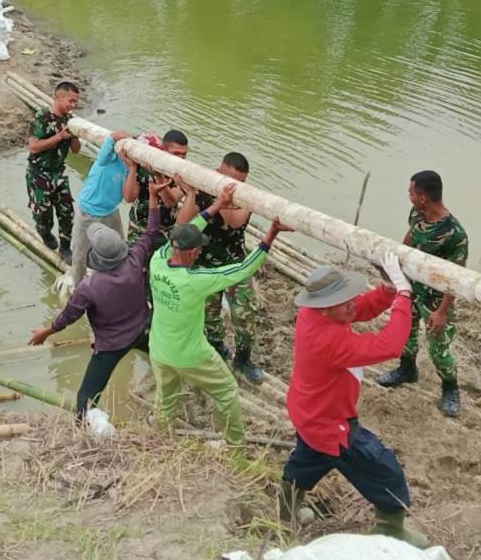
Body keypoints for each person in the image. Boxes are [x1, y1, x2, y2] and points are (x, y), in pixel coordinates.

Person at [280, 252, 429, 547]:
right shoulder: (327, 341)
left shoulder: (313, 314)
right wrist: (403, 295)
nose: (352, 303)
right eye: (343, 301)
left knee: (307, 460)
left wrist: (386, 291)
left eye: (350, 296)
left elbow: (359, 308)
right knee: (385, 469)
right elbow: (390, 345)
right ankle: (390, 527)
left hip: (307, 410)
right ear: (324, 307)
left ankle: (286, 510)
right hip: (330, 422)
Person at [149, 183, 290, 445]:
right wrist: (269, 236)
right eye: (199, 249)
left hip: (158, 349)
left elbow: (188, 231)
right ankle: (235, 445)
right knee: (226, 391)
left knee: (166, 396)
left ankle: (160, 437)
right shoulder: (195, 280)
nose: (201, 251)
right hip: (189, 355)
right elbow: (241, 270)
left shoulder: (157, 260)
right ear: (193, 252)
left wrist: (215, 206)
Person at [29, 174, 168, 416]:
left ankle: (84, 426)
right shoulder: (135, 259)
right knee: (165, 360)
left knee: (86, 397)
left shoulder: (89, 287)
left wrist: (46, 331)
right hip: (142, 330)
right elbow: (151, 231)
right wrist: (154, 197)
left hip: (111, 346)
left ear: (96, 256)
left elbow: (68, 316)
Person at [376, 170, 469, 418]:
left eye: (411, 192)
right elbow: (411, 235)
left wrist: (441, 312)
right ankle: (407, 370)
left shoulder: (455, 235)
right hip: (411, 288)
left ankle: (450, 388)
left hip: (436, 299)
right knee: (406, 332)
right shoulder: (417, 213)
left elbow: (456, 278)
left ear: (423, 197)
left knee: (439, 350)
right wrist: (395, 262)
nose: (409, 196)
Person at [174, 153, 266, 384]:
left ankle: (243, 359)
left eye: (239, 183)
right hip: (205, 266)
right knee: (210, 314)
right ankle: (217, 347)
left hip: (236, 266)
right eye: (229, 180)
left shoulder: (246, 197)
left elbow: (235, 221)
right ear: (218, 171)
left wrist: (221, 197)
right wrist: (193, 193)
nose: (233, 187)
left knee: (245, 314)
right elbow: (184, 224)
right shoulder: (205, 188)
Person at [26, 81, 81, 262]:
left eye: (75, 103)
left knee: (67, 213)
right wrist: (59, 136)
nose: (73, 106)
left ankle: (65, 248)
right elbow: (33, 147)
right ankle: (44, 232)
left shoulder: (69, 120)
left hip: (59, 173)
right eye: (70, 101)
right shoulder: (41, 117)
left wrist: (74, 134)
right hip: (39, 174)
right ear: (59, 97)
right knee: (43, 214)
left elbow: (75, 150)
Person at [70, 129, 133, 286]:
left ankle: (117, 283)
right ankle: (78, 287)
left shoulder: (131, 168)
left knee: (120, 248)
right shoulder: (110, 157)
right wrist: (112, 137)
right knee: (80, 253)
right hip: (89, 211)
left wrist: (132, 168)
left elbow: (128, 196)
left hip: (111, 210)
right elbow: (107, 148)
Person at [123, 130, 189, 243]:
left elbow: (170, 202)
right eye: (176, 153)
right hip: (138, 228)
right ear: (163, 150)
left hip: (165, 232)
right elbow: (129, 197)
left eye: (184, 154)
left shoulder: (183, 173)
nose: (181, 158)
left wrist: (159, 177)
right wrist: (132, 168)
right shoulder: (144, 166)